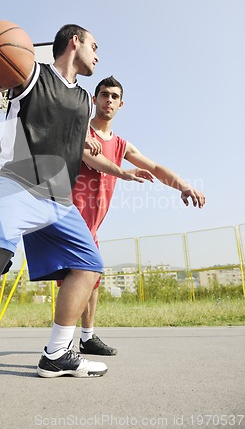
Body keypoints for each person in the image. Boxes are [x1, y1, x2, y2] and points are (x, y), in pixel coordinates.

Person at [0, 20, 153, 429]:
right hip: (13, 183)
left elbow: (87, 151)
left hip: (57, 198)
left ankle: (57, 355)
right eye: (95, 46)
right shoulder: (28, 71)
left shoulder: (86, 100)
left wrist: (120, 171)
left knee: (89, 265)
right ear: (75, 42)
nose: (98, 55)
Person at [45, 75, 206, 357]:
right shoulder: (81, 130)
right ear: (94, 100)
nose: (109, 100)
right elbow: (88, 157)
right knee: (80, 275)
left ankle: (86, 337)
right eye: (104, 94)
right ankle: (60, 346)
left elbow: (154, 166)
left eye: (114, 96)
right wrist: (122, 172)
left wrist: (183, 185)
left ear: (121, 104)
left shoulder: (121, 144)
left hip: (92, 222)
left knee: (91, 277)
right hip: (69, 214)